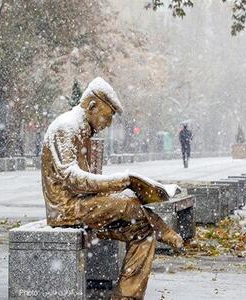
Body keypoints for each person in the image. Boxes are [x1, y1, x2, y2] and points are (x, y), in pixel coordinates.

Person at [41, 77, 183, 299]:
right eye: (107, 117)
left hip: (83, 207)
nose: (107, 124)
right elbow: (72, 178)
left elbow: (86, 183)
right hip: (66, 210)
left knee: (143, 231)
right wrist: (123, 180)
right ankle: (163, 229)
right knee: (127, 202)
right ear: (92, 106)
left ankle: (125, 295)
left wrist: (126, 186)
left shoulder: (82, 130)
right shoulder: (66, 127)